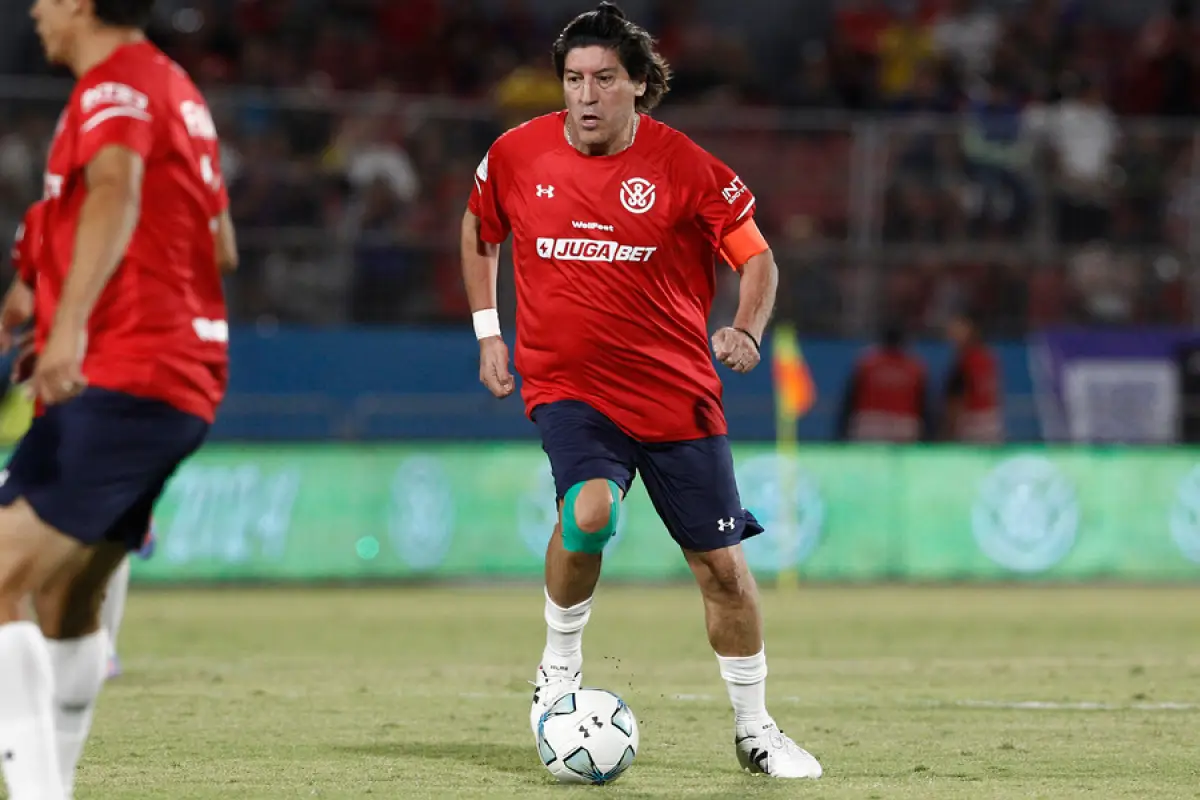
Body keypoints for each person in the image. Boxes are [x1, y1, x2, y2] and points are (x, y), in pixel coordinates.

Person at [462, 2, 821, 780]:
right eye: (572, 79)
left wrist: (747, 330)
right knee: (591, 510)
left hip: (675, 395)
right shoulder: (518, 154)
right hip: (571, 387)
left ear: (639, 86)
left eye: (603, 80)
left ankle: (755, 730)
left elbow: (757, 260)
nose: (584, 96)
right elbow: (479, 226)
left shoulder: (686, 167)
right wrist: (490, 329)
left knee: (722, 570)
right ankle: (559, 667)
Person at [0, 0, 232, 797]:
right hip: (180, 375)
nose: (34, 12)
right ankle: (48, 779)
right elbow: (220, 243)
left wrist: (70, 330)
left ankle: (34, 788)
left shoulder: (113, 88)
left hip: (125, 369)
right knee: (67, 602)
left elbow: (115, 191)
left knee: (4, 574)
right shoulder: (177, 91)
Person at [2, 200, 156, 683]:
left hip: (62, 392)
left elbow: (17, 306)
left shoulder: (45, 218)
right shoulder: (138, 220)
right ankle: (96, 646)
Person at [835, 322, 931, 442]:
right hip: (904, 425)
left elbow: (851, 398)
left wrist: (841, 428)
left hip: (871, 424)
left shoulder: (867, 362)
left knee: (867, 460)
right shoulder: (916, 367)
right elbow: (923, 404)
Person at [941, 310, 1003, 442]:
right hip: (992, 423)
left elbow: (955, 402)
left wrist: (950, 430)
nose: (952, 334)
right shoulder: (989, 357)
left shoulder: (966, 361)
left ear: (970, 330)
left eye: (958, 328)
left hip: (974, 427)